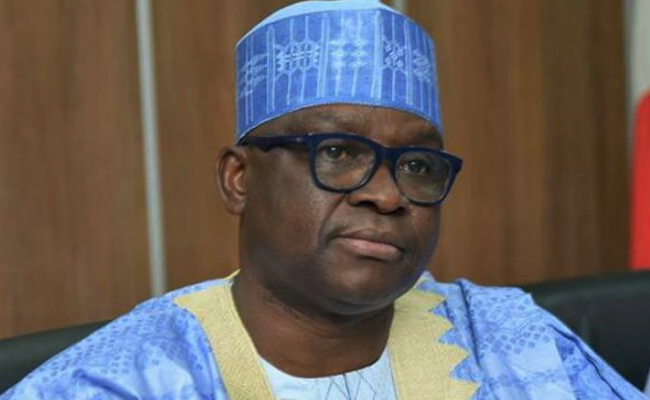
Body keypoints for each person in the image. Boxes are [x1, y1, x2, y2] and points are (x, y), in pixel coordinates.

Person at [1, 1, 646, 399]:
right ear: (238, 179)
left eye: (416, 165)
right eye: (338, 152)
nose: (388, 196)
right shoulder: (112, 384)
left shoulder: (514, 340)